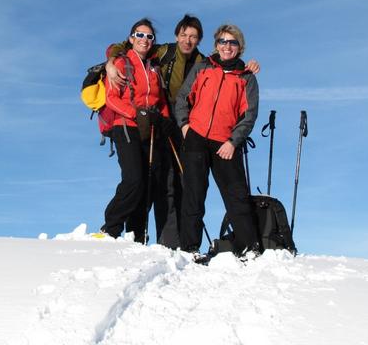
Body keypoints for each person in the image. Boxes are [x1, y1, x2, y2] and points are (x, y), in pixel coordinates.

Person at [105, 15, 260, 248]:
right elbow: (123, 48)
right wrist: (110, 62)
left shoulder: (221, 68)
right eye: (184, 35)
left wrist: (231, 139)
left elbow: (248, 114)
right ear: (177, 36)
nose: (188, 40)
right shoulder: (171, 55)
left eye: (194, 36)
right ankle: (145, 237)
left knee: (196, 188)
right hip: (171, 128)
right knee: (152, 182)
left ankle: (239, 246)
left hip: (186, 130)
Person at [175, 24, 260, 259]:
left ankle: (248, 247)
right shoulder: (203, 68)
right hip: (196, 139)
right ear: (216, 45)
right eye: (223, 41)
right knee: (193, 194)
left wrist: (233, 141)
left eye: (232, 42)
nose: (227, 46)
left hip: (226, 144)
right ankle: (189, 247)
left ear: (239, 47)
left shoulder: (246, 77)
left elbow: (249, 114)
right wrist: (184, 125)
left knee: (236, 195)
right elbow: (183, 97)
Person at [101, 18, 173, 243]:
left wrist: (164, 121)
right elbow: (111, 99)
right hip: (125, 127)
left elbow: (160, 100)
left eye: (149, 36)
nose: (144, 40)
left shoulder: (154, 67)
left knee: (148, 184)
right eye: (139, 35)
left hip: (150, 130)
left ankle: (136, 233)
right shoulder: (122, 63)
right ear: (131, 38)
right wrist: (136, 114)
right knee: (134, 180)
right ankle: (110, 227)